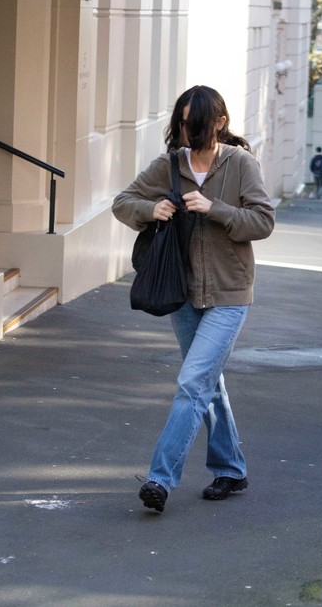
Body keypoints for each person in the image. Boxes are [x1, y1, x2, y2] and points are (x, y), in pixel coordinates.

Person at [112, 85, 275, 513]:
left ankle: (160, 479)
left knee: (191, 383)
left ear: (219, 123)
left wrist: (214, 208)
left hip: (229, 292)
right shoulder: (169, 165)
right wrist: (151, 211)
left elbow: (262, 221)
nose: (188, 131)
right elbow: (123, 202)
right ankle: (231, 468)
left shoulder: (240, 164)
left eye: (196, 123)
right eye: (182, 122)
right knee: (206, 383)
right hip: (182, 292)